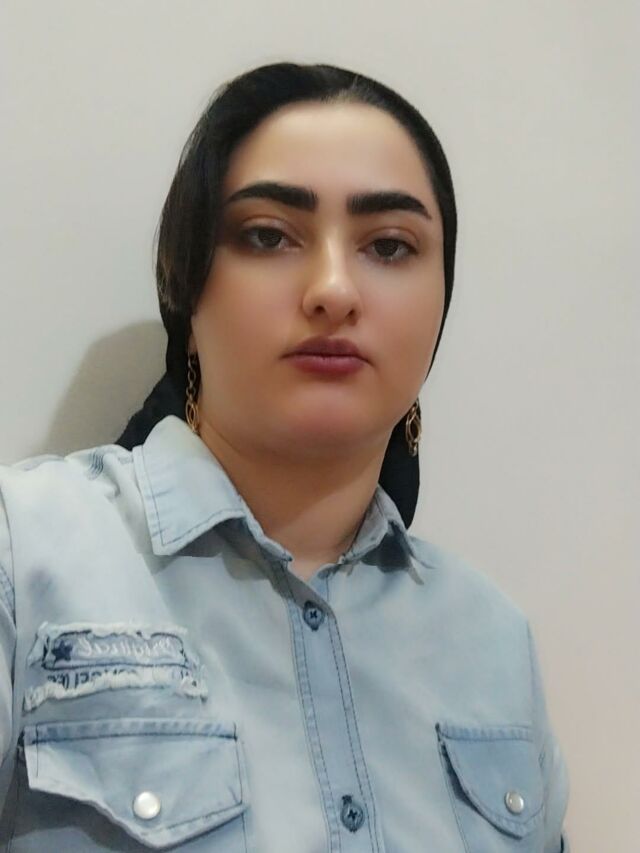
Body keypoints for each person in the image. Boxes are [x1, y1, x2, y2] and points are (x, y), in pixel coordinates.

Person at [0, 61, 570, 851]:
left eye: (390, 245)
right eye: (267, 235)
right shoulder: (24, 550)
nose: (333, 289)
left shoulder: (495, 640)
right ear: (182, 280)